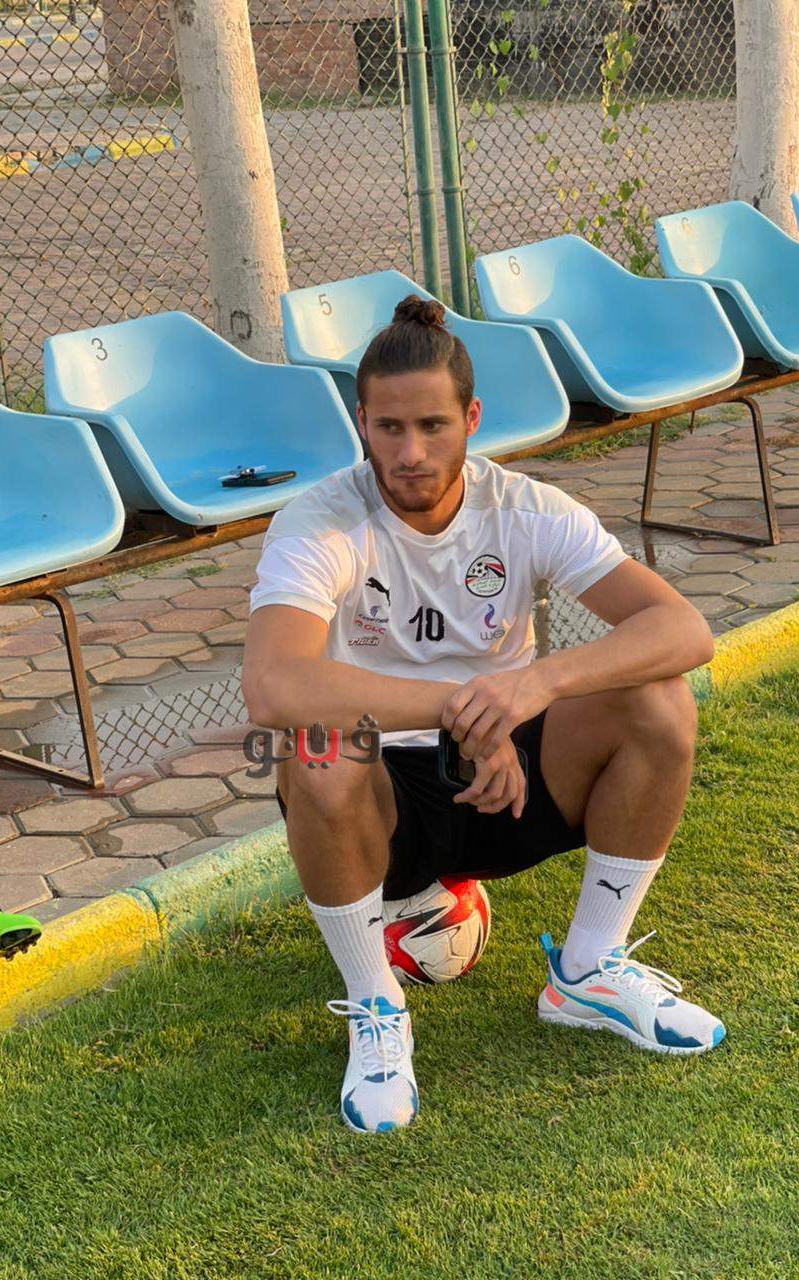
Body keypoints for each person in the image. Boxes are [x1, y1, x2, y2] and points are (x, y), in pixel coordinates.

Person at [242, 296, 724, 1135]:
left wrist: (533, 688)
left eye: (433, 425)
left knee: (658, 697)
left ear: (471, 418)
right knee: (316, 747)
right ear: (361, 423)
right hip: (383, 805)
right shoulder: (319, 522)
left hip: (511, 784)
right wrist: (466, 713)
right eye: (389, 428)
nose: (410, 452)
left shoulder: (526, 509)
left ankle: (588, 972)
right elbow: (273, 685)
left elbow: (683, 630)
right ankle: (375, 1005)